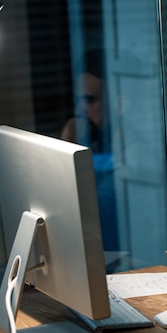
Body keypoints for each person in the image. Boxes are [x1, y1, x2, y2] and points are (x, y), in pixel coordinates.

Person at [61, 48, 119, 253]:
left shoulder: (130, 155)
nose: (79, 111)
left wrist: (69, 150)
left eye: (89, 100)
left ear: (116, 101)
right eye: (78, 100)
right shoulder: (97, 145)